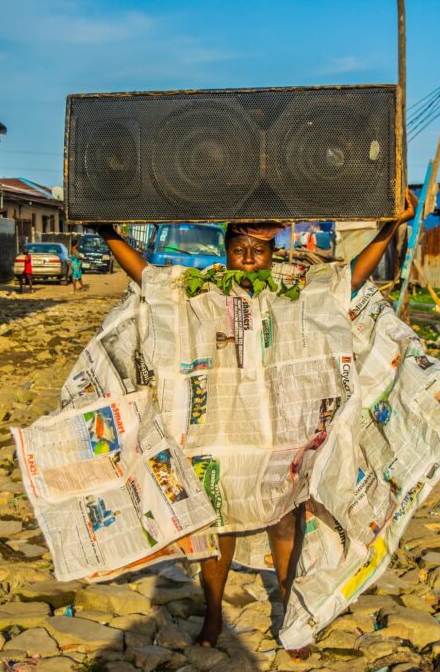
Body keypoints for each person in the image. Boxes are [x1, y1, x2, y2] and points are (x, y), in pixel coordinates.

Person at [92, 189, 419, 653]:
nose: (247, 260)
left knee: (284, 525)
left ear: (271, 255)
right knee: (220, 525)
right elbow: (147, 277)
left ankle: (291, 614)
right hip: (220, 436)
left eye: (258, 252)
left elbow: (348, 281)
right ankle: (213, 616)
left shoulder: (294, 292)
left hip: (280, 435)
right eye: (239, 251)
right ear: (225, 252)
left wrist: (391, 228)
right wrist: (107, 232)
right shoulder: (200, 292)